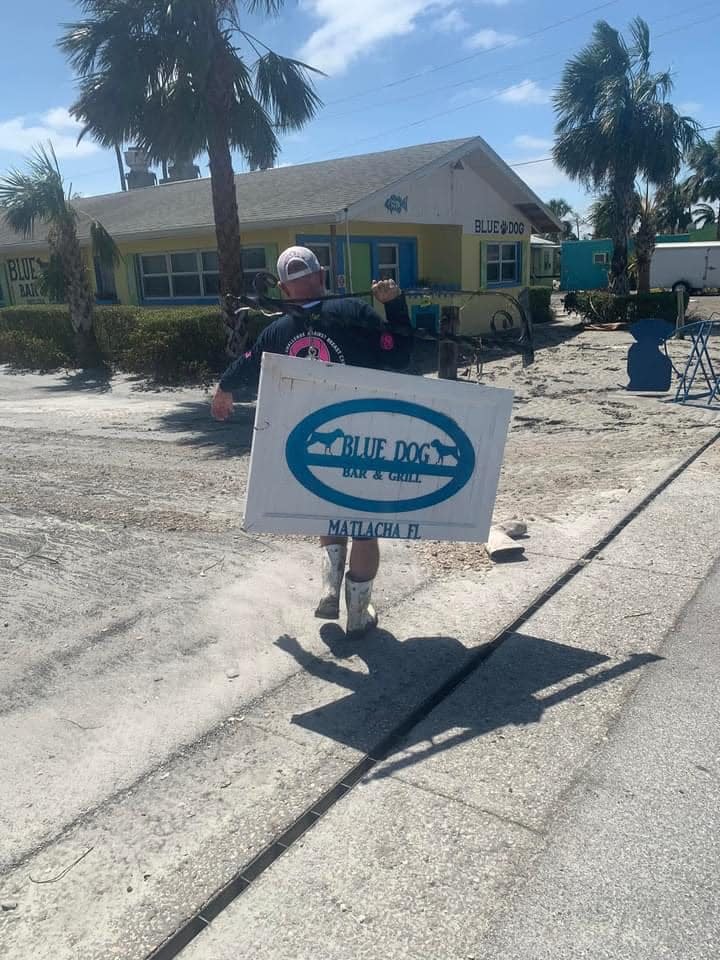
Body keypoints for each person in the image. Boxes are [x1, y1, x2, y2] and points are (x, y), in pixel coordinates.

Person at [211, 245, 412, 639]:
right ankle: (357, 615)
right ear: (322, 277)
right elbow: (400, 354)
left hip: (312, 446)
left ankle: (328, 588)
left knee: (327, 514)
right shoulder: (354, 315)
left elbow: (248, 362)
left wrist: (223, 388)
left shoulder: (277, 332)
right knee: (365, 529)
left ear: (285, 290)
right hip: (361, 438)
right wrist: (396, 305)